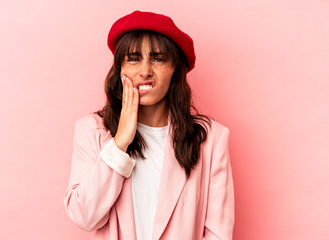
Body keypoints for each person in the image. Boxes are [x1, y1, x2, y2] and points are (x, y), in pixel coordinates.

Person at [63, 10, 235, 240]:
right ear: (120, 69)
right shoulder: (91, 130)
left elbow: (218, 234)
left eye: (158, 58)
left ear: (174, 69)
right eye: (133, 59)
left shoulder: (211, 139)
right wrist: (120, 142)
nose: (145, 71)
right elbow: (84, 216)